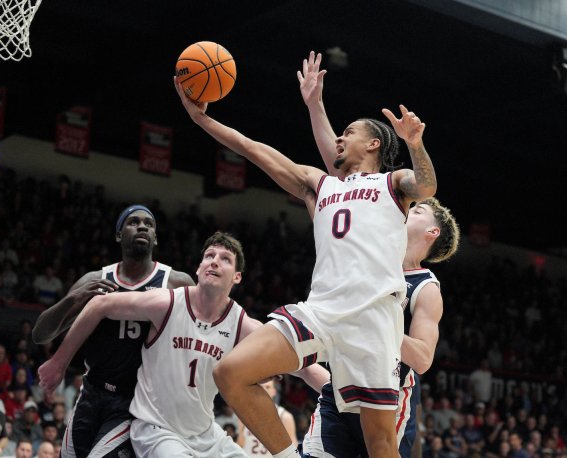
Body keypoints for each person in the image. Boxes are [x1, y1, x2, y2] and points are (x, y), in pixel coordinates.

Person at [175, 46, 437, 457]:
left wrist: (416, 144)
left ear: (372, 143)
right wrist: (202, 118)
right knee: (231, 372)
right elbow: (252, 147)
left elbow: (426, 187)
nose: (339, 137)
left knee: (380, 443)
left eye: (348, 132)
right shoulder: (321, 185)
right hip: (322, 311)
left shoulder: (392, 185)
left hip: (374, 319)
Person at [297, 50, 459, 458]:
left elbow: (421, 359)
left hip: (389, 396)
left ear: (431, 232)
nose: (408, 208)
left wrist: (373, 318)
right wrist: (315, 104)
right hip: (344, 387)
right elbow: (340, 176)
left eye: (417, 209)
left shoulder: (425, 286)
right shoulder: (373, 251)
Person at [39, 232, 328, 457]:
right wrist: (59, 362)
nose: (214, 261)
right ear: (199, 267)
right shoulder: (167, 303)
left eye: (225, 259)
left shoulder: (240, 323)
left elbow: (303, 365)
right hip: (156, 430)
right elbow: (99, 305)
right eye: (209, 256)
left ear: (237, 277)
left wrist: (343, 395)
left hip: (204, 433)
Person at [32, 204, 195, 457]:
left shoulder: (176, 283)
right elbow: (40, 334)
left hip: (134, 402)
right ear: (119, 235)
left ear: (155, 238)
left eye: (149, 224)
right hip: (91, 392)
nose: (142, 226)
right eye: (133, 222)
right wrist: (73, 298)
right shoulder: (95, 280)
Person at [238, 379, 297, 457]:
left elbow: (294, 447)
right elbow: (240, 443)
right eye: (261, 387)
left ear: (274, 391)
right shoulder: (244, 414)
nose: (264, 390)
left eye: (268, 387)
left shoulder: (285, 416)